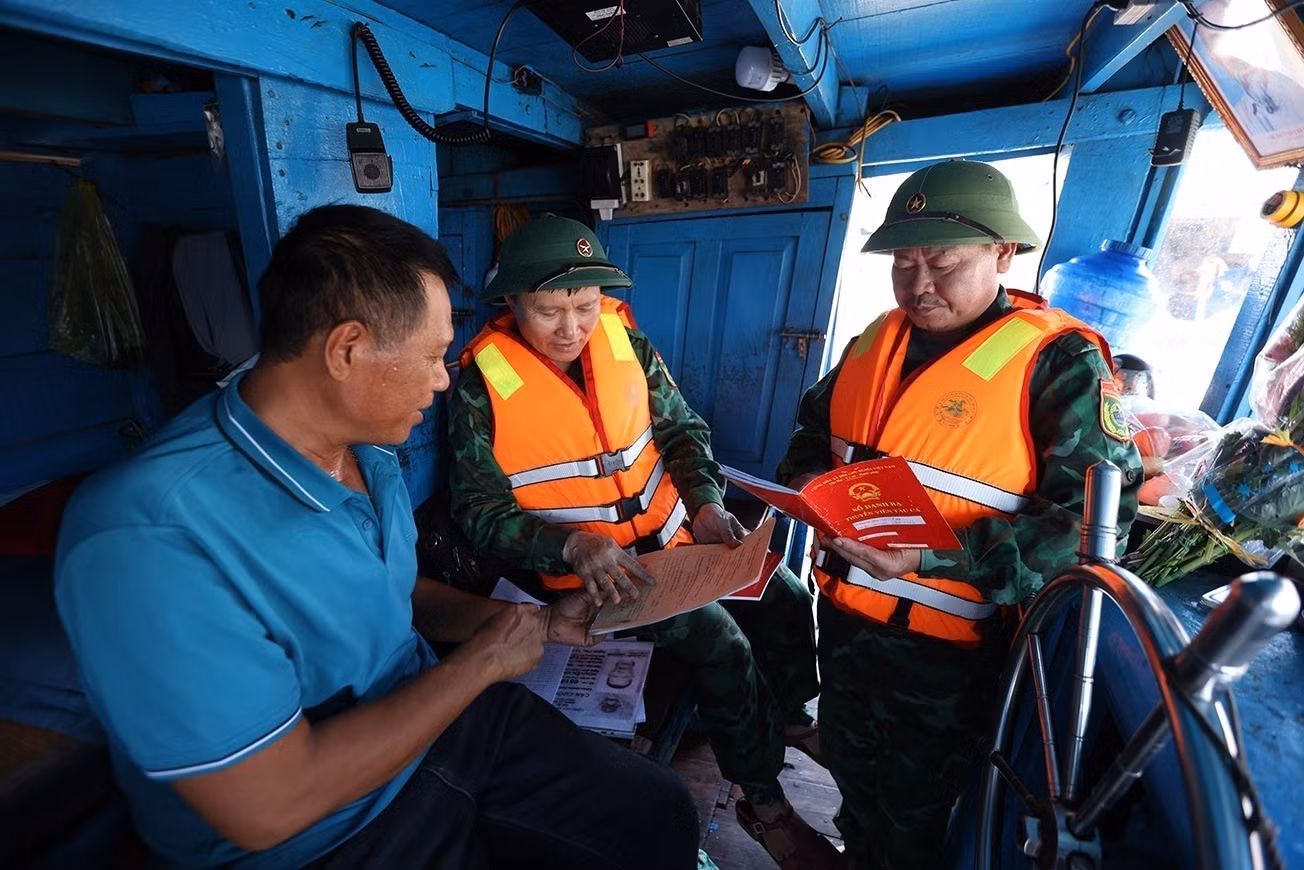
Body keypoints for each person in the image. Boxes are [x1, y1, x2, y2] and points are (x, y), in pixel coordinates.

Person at [54, 205, 700, 870]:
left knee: (661, 814)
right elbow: (267, 807)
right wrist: (479, 663)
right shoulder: (147, 537)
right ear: (348, 350)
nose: (444, 379)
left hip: (434, 716)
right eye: (432, 357)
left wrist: (524, 624)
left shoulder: (365, 448)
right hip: (325, 833)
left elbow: (389, 592)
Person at [776, 161, 1143, 869]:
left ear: (1003, 253)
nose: (918, 285)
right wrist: (808, 478)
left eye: (941, 262)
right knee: (854, 781)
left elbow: (1089, 531)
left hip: (951, 655)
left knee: (917, 819)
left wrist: (931, 557)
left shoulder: (1061, 362)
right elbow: (812, 429)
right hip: (847, 626)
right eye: (902, 263)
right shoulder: (874, 339)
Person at [446, 214, 840, 870]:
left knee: (788, 596)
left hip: (682, 541)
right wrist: (570, 547)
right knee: (722, 642)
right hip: (602, 582)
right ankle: (765, 804)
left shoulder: (625, 341)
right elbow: (478, 511)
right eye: (549, 310)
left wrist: (706, 506)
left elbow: (683, 432)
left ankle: (794, 719)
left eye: (585, 305)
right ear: (511, 301)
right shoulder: (478, 388)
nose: (572, 328)